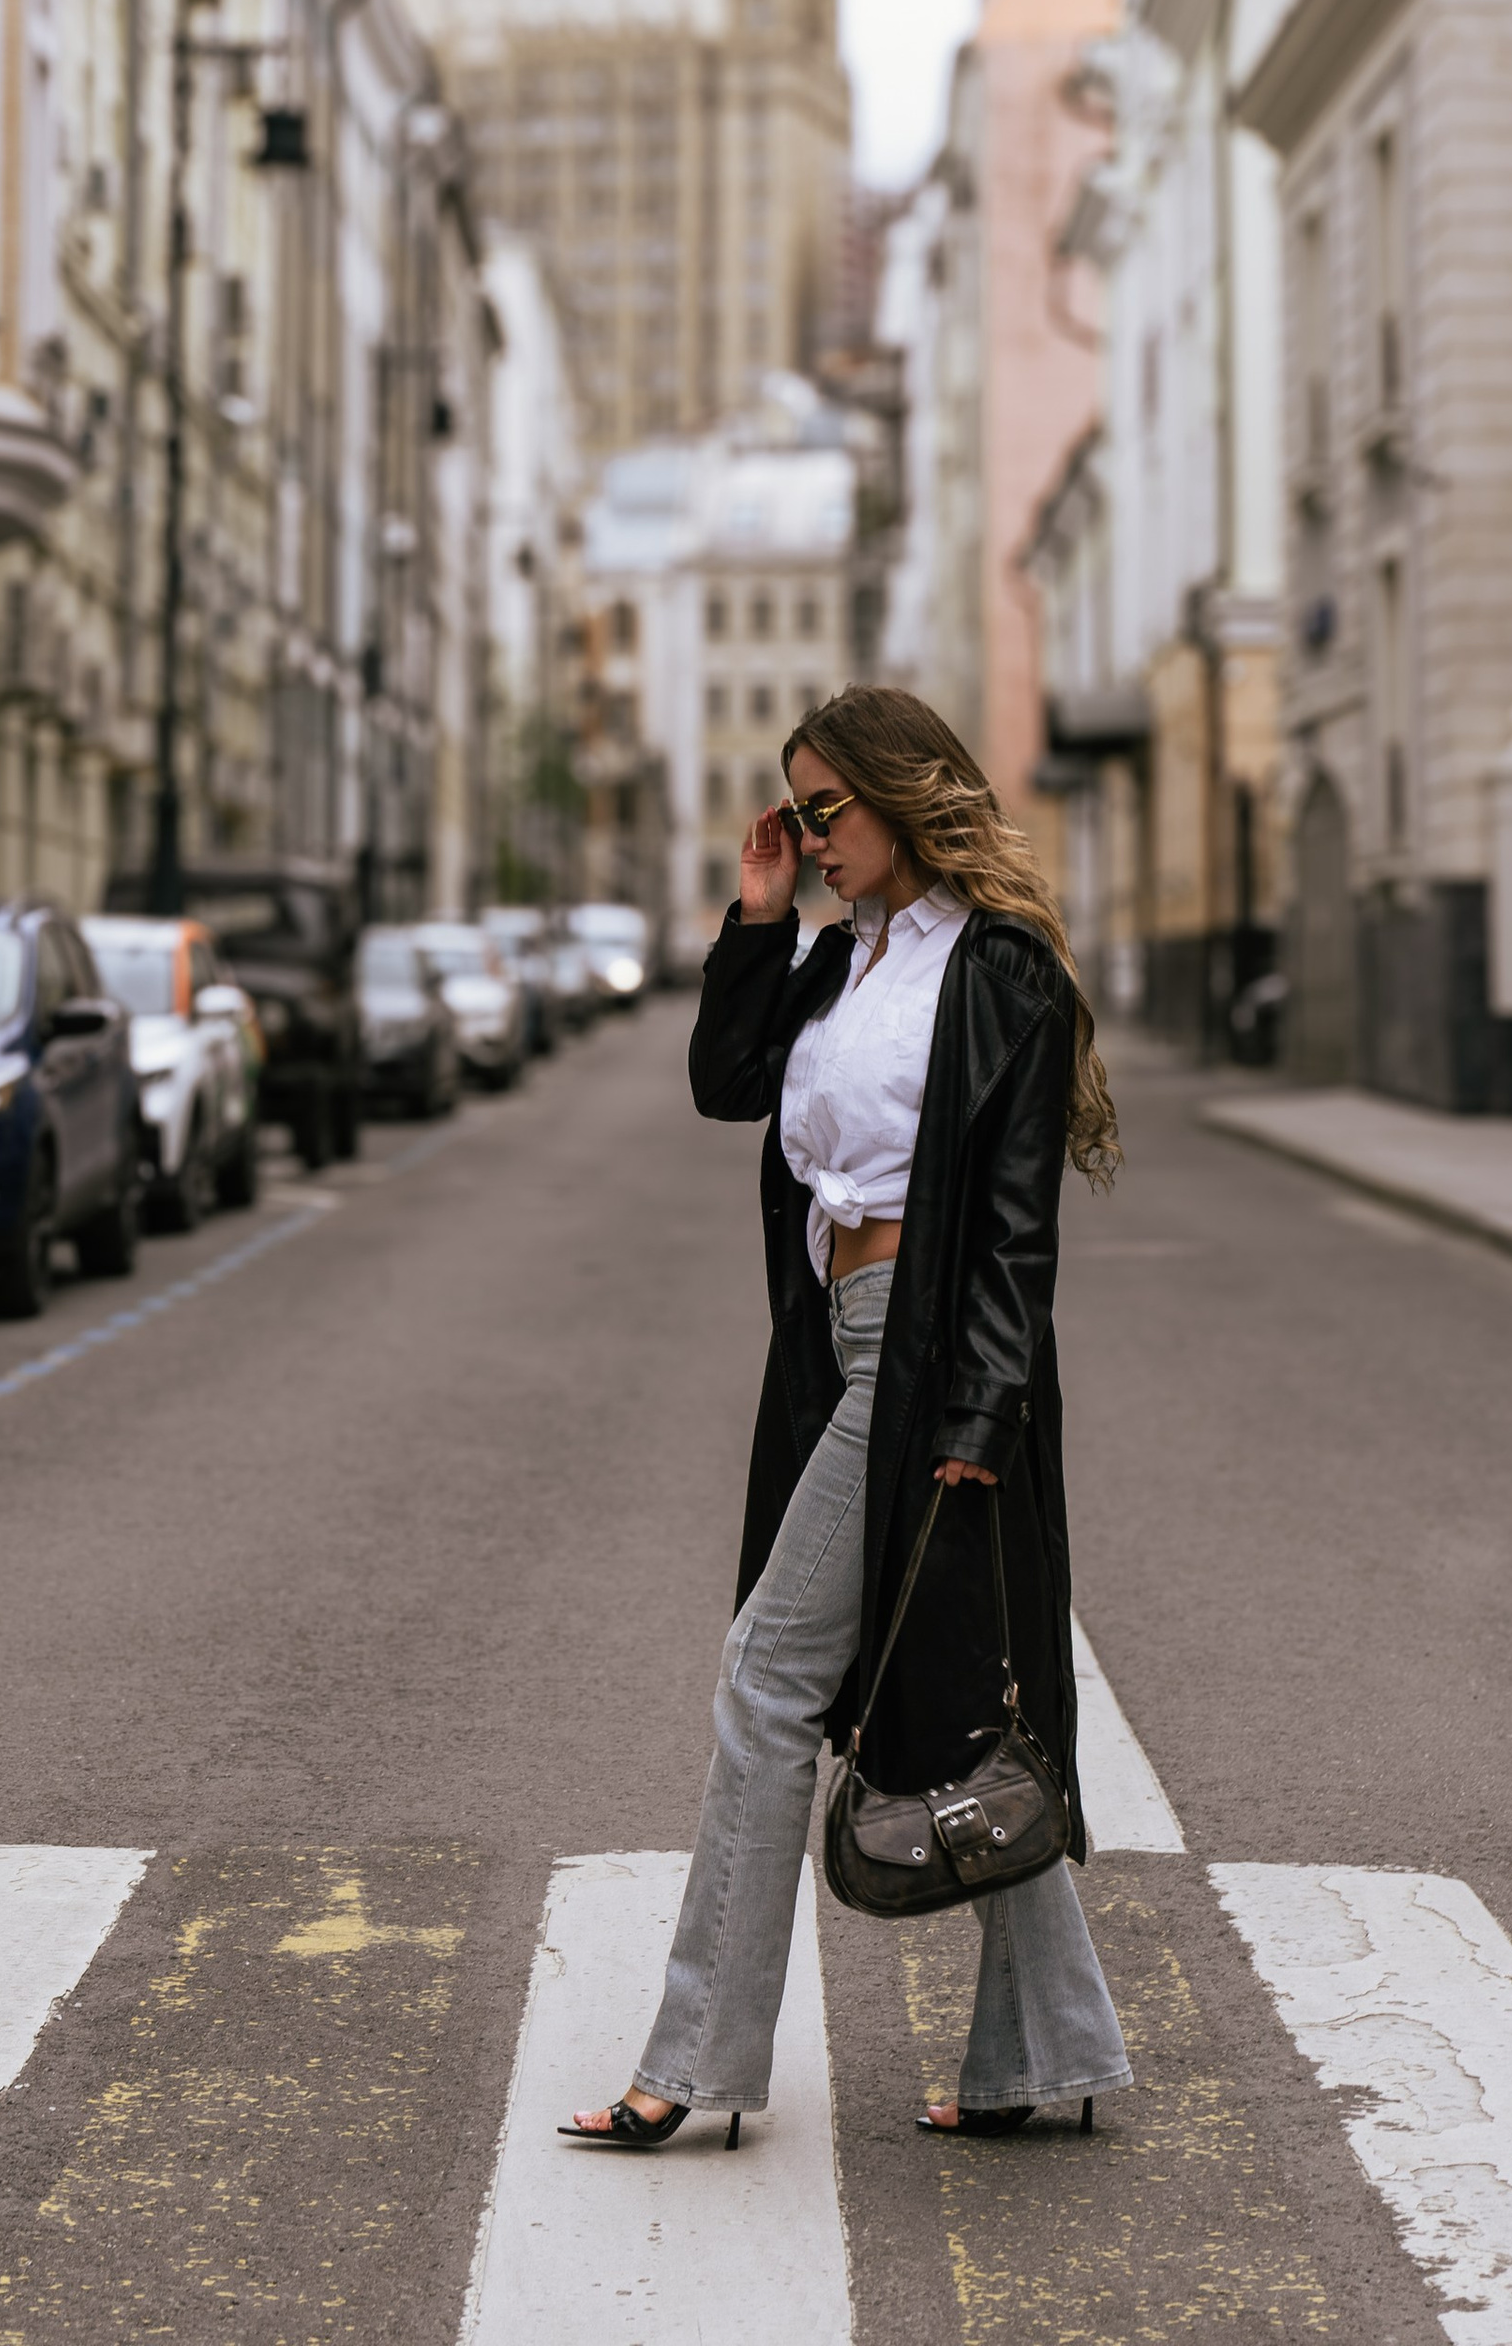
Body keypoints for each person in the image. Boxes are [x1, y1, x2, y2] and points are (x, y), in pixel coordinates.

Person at [563, 681, 1131, 2150]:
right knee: (955, 1691)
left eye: (828, 810)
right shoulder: (835, 961)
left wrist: (982, 1418)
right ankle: (1048, 2051)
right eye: (798, 813)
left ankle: (694, 2062)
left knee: (769, 1680)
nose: (812, 836)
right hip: (832, 1351)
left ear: (903, 793)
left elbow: (1014, 1226)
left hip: (924, 1364)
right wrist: (759, 923)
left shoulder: (997, 968)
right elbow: (723, 1084)